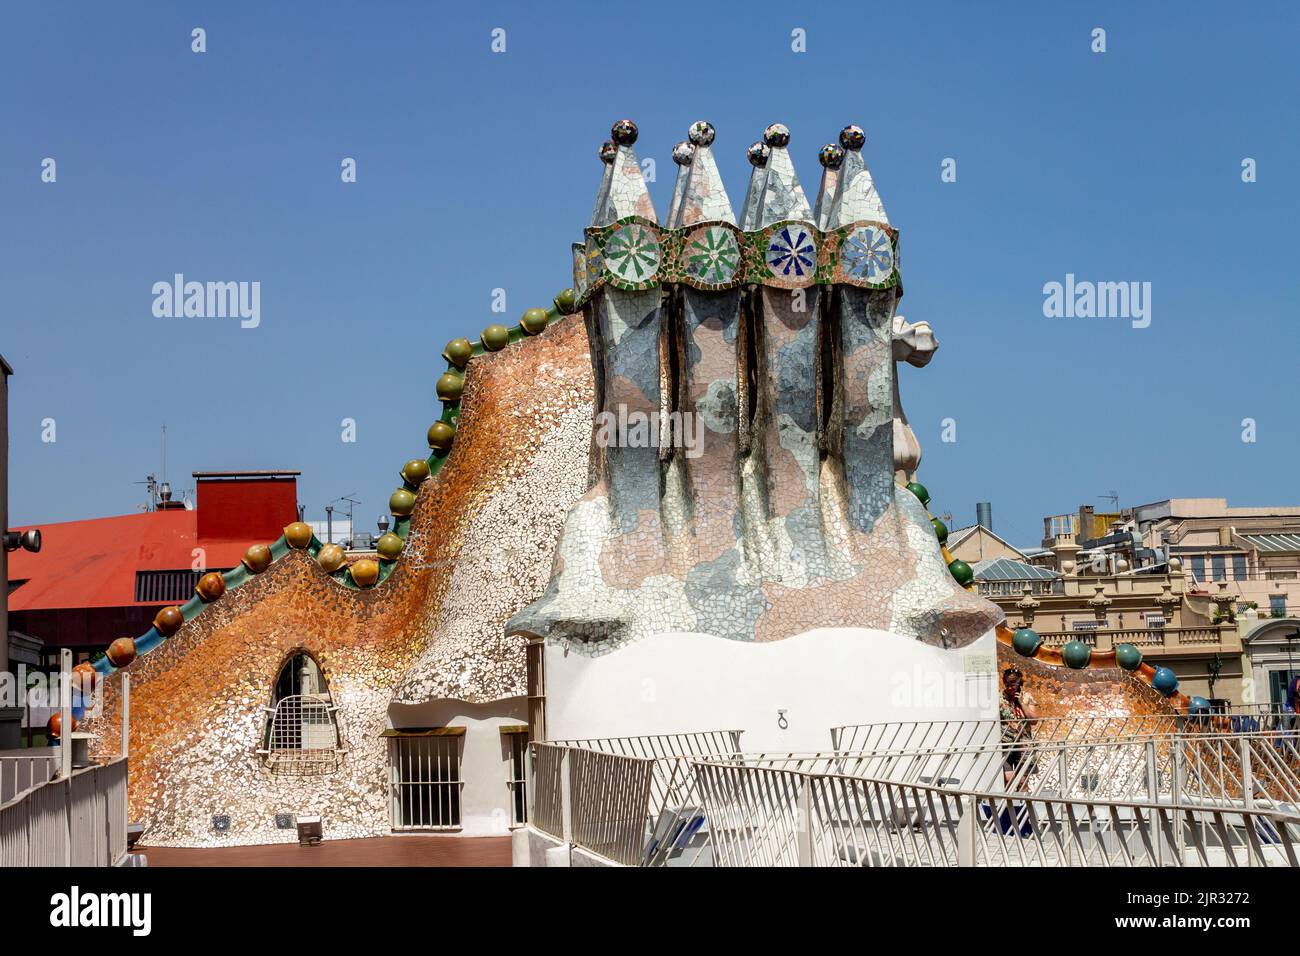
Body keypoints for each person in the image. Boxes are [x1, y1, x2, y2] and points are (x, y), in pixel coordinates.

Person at [999, 667, 1039, 789]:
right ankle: (1009, 805)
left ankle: (1024, 806)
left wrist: (1021, 702)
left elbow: (1034, 720)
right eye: (1008, 685)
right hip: (1005, 744)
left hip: (1023, 744)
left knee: (1022, 782)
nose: (1010, 688)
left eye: (1014, 685)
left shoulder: (1027, 697)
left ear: (1019, 684)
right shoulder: (999, 698)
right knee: (1008, 779)